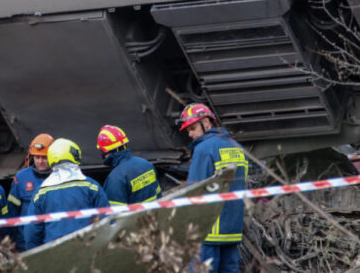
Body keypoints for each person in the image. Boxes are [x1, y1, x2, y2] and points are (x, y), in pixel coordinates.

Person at [178, 103, 247, 273]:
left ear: (206, 123)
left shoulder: (204, 149)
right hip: (232, 229)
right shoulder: (237, 147)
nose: (190, 134)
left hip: (207, 232)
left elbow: (195, 191)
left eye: (192, 128)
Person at [26, 138, 108, 247]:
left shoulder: (40, 193)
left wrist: (35, 254)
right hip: (86, 247)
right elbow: (106, 220)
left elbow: (32, 231)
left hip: (54, 251)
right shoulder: (91, 186)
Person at [6, 132, 53, 251]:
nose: (40, 161)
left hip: (52, 239)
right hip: (26, 242)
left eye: (44, 157)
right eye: (37, 157)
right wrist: (11, 239)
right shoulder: (21, 178)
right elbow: (12, 211)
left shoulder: (60, 177)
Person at [96, 124, 161, 205]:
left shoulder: (115, 178)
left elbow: (114, 210)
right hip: (154, 212)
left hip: (137, 214)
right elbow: (158, 194)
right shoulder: (146, 164)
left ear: (107, 152)